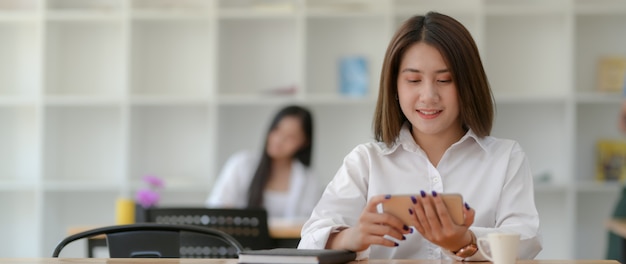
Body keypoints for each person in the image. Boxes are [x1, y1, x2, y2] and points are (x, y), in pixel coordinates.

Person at [297, 12, 542, 260]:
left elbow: (527, 241)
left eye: (445, 80)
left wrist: (464, 241)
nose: (428, 95)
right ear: (395, 86)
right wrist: (352, 237)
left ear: (468, 85)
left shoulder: (505, 157)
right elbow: (308, 241)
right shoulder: (366, 161)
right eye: (413, 80)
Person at [206, 105, 318, 220]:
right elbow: (216, 206)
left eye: (290, 137)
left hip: (289, 238)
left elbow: (308, 222)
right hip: (238, 237)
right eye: (277, 130)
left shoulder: (307, 178)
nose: (279, 140)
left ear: (305, 142)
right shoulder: (241, 163)